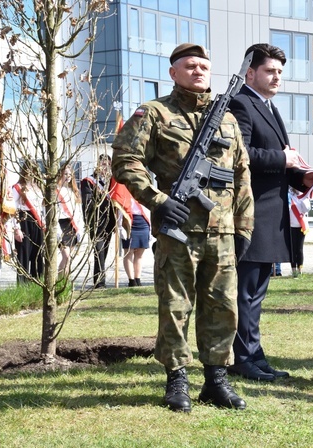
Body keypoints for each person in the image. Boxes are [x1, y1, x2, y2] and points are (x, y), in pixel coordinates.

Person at [112, 43, 254, 412]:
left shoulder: (227, 120)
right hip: (178, 231)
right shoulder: (154, 113)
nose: (198, 71)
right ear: (173, 72)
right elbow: (126, 160)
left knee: (223, 307)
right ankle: (177, 380)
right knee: (175, 305)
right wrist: (158, 200)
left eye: (204, 66)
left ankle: (216, 381)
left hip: (221, 232)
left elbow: (241, 177)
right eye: (190, 66)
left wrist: (243, 226)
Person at [228, 43, 313, 381]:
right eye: (270, 71)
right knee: (245, 291)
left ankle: (254, 354)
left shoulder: (268, 106)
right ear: (250, 72)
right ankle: (241, 358)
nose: (277, 76)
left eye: (280, 72)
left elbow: (279, 157)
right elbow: (241, 155)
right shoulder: (241, 103)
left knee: (256, 292)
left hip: (271, 214)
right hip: (251, 213)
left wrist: (301, 175)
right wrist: (284, 160)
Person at [81, 154, 117, 289]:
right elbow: (87, 203)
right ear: (97, 165)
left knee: (104, 251)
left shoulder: (112, 182)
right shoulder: (89, 181)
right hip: (96, 222)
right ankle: (99, 282)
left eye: (108, 165)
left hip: (109, 222)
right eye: (103, 164)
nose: (105, 167)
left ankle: (100, 279)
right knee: (99, 250)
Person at [11, 160, 44, 283]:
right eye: (28, 169)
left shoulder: (40, 187)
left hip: (37, 222)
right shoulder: (18, 187)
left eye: (34, 169)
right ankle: (23, 286)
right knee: (24, 255)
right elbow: (13, 208)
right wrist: (16, 228)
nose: (31, 173)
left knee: (38, 255)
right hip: (24, 220)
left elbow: (43, 207)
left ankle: (38, 284)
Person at [56, 164, 84, 276]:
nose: (68, 176)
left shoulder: (73, 191)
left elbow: (78, 211)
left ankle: (65, 283)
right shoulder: (55, 191)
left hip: (72, 225)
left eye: (70, 174)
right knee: (66, 256)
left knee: (69, 259)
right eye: (65, 174)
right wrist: (57, 230)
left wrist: (79, 228)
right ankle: (59, 281)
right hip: (61, 224)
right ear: (61, 175)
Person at [120, 196, 150, 287]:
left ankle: (138, 279)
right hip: (128, 220)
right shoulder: (124, 190)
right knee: (129, 252)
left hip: (143, 221)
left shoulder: (141, 192)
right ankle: (131, 280)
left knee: (139, 254)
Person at [288, 186, 309, 278]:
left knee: (299, 249)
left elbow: (306, 209)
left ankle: (300, 269)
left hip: (301, 225)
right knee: (292, 249)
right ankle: (293, 270)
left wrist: (303, 199)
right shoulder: (288, 195)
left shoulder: (303, 195)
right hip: (290, 225)